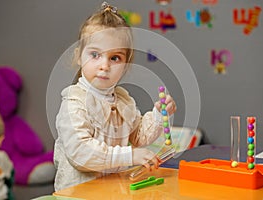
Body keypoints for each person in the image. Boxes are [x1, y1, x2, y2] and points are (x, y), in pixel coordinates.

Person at [54, 1, 176, 191]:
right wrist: (130, 156)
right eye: (95, 54)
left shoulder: (123, 100)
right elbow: (80, 152)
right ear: (79, 56)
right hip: (78, 193)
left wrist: (159, 115)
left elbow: (139, 137)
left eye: (115, 58)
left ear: (126, 64)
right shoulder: (74, 102)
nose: (105, 65)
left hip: (113, 191)